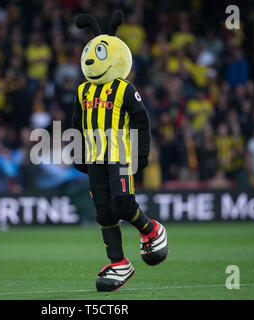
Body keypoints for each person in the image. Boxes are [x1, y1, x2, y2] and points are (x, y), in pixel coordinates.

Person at [72, 12, 168, 292]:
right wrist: (79, 155)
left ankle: (151, 230)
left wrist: (141, 154)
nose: (91, 59)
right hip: (94, 158)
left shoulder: (125, 89)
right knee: (104, 212)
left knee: (123, 204)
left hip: (120, 155)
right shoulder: (82, 91)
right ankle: (118, 263)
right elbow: (77, 125)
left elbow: (142, 120)